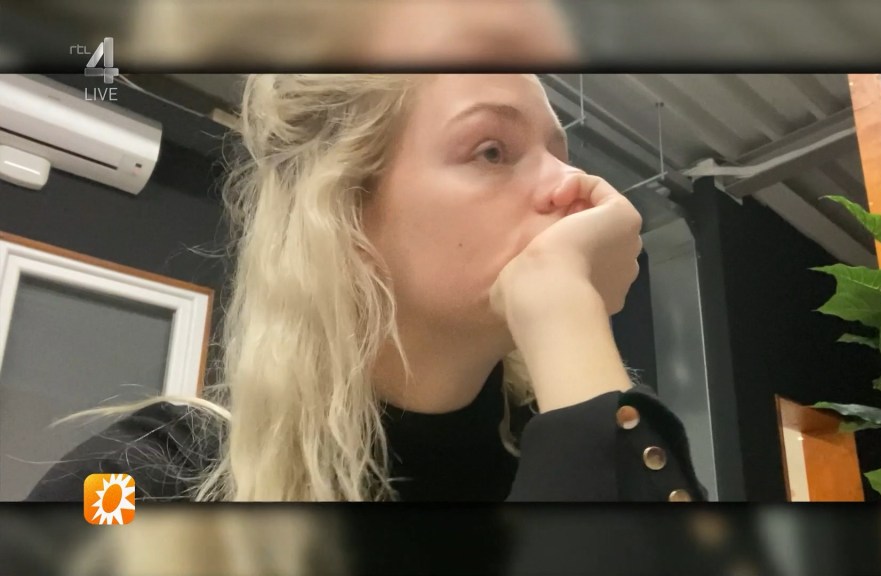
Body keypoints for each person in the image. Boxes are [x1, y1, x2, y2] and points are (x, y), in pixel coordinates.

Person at [26, 74, 705, 504]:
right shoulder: (142, 477)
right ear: (343, 213)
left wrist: (562, 313)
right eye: (492, 150)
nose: (572, 185)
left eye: (559, 153)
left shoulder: (571, 428)